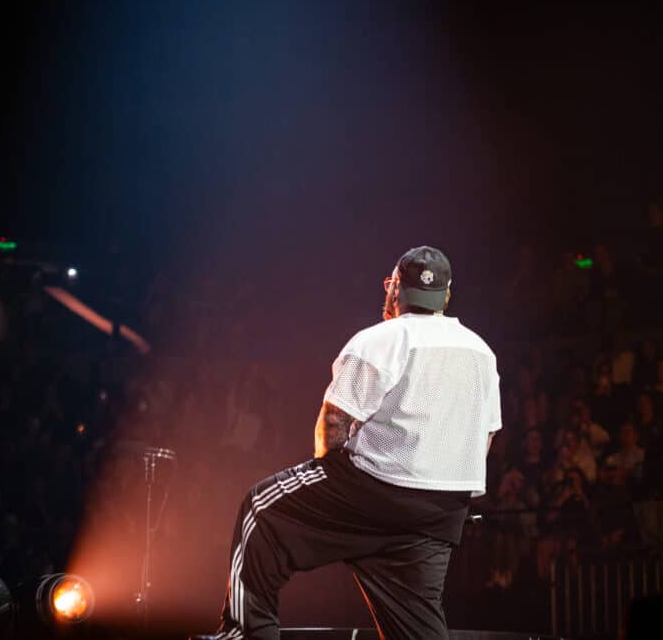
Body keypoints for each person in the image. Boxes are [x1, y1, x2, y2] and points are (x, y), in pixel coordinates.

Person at [195, 246, 501, 640]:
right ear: (446, 294)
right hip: (441, 510)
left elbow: (334, 421)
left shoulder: (382, 338)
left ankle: (242, 635)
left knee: (260, 510)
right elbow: (486, 436)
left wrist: (330, 483)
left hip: (372, 492)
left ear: (396, 292)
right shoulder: (482, 352)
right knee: (416, 629)